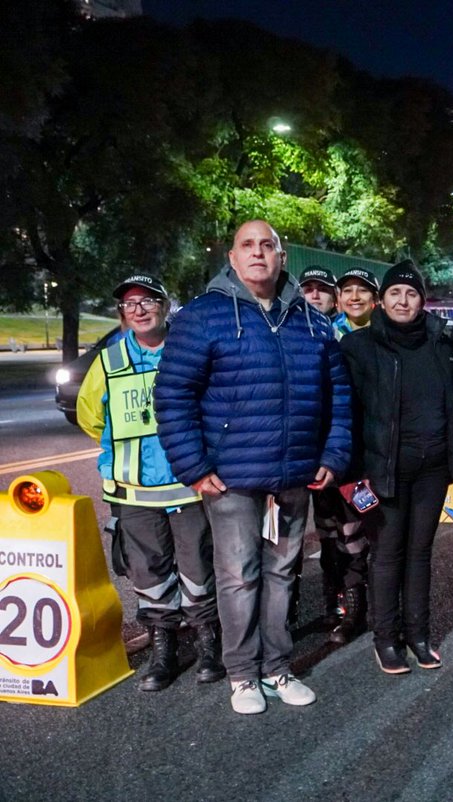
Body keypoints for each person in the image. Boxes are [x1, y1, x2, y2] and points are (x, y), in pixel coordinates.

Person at [156, 220, 352, 715]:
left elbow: (339, 398)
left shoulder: (310, 320)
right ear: (233, 256)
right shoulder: (203, 317)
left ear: (281, 256)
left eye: (268, 245)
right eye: (249, 245)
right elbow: (173, 394)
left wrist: (332, 455)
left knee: (283, 574)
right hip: (232, 479)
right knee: (238, 577)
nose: (259, 253)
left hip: (293, 475)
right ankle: (243, 674)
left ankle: (277, 667)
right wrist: (194, 467)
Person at [77, 274, 221, 692]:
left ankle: (209, 644)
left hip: (190, 487)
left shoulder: (189, 353)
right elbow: (91, 417)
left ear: (165, 305)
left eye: (147, 301)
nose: (138, 309)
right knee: (149, 574)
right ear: (122, 313)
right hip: (134, 492)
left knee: (199, 568)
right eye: (129, 304)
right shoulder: (108, 361)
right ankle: (164, 649)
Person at [340, 260, 453, 675]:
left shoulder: (442, 342)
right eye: (395, 293)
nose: (403, 300)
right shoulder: (358, 347)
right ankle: (386, 639)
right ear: (381, 300)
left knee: (420, 553)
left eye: (411, 293)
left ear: (422, 300)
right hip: (381, 471)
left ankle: (418, 634)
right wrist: (350, 477)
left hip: (433, 470)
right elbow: (346, 415)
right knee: (387, 554)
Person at [296, 265, 371, 643]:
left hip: (354, 458)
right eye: (306, 289)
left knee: (355, 531)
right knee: (326, 533)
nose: (314, 295)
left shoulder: (348, 337)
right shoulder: (296, 335)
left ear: (334, 298)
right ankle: (333, 603)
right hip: (312, 457)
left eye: (322, 289)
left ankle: (357, 608)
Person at [331, 267, 379, 339]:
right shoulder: (329, 333)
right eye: (348, 290)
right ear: (340, 297)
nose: (354, 297)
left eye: (363, 290)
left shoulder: (389, 331)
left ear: (375, 298)